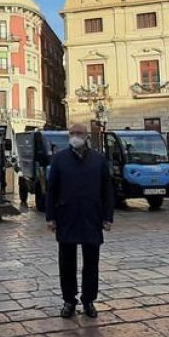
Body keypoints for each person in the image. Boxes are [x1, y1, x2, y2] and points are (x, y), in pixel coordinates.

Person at [46, 123, 114, 319]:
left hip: (91, 217)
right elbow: (52, 190)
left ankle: (89, 300)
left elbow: (107, 190)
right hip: (66, 216)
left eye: (79, 133)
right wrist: (51, 217)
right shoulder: (59, 159)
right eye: (72, 133)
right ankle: (69, 300)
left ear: (86, 137)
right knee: (66, 262)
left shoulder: (98, 160)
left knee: (91, 263)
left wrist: (107, 217)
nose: (75, 136)